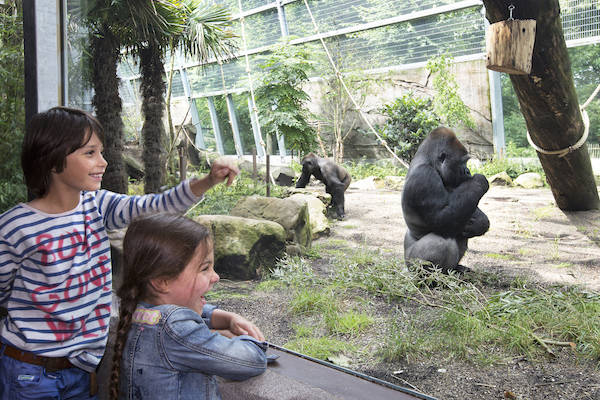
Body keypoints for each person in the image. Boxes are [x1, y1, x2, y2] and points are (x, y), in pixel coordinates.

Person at [0, 106, 239, 399]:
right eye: (90, 153)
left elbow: (153, 207)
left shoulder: (97, 207)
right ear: (52, 157)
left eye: (101, 152)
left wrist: (208, 181)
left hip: (80, 371)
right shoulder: (16, 227)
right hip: (28, 373)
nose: (103, 162)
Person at [110, 213, 267, 400]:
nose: (215, 276)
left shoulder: (135, 308)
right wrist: (247, 340)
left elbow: (182, 315)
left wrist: (224, 318)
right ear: (162, 282)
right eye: (205, 268)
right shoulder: (175, 328)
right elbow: (251, 361)